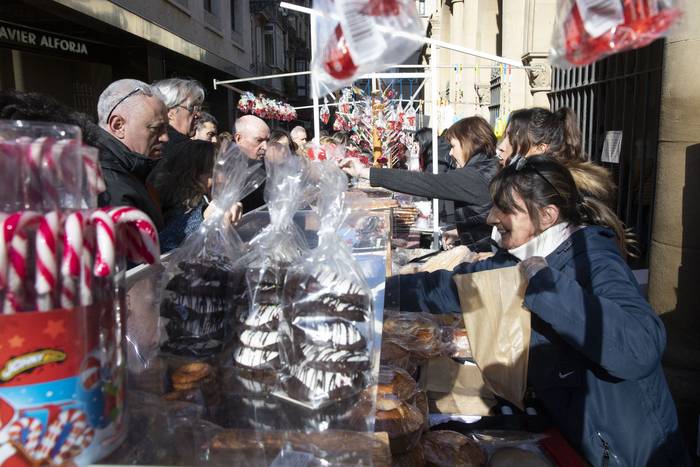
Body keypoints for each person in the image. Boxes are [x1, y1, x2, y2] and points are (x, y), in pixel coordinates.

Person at [388, 155, 688, 467]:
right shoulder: (518, 260)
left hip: (630, 454)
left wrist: (546, 285)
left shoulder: (594, 260)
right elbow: (447, 289)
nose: (491, 217)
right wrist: (376, 293)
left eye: (504, 208)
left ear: (546, 216)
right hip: (565, 433)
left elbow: (641, 348)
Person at [342, 116, 499, 248]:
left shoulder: (475, 177)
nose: (450, 153)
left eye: (453, 146)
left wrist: (365, 172)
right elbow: (483, 219)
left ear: (469, 143)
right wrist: (460, 232)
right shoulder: (485, 169)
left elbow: (424, 182)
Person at [95, 79, 169, 229]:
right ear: (118, 125)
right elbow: (143, 248)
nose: (165, 137)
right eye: (156, 128)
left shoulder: (127, 169)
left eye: (166, 128)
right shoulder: (107, 183)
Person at [234, 115, 270, 212]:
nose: (265, 147)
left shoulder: (267, 168)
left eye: (267, 141)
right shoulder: (224, 172)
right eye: (259, 140)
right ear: (239, 139)